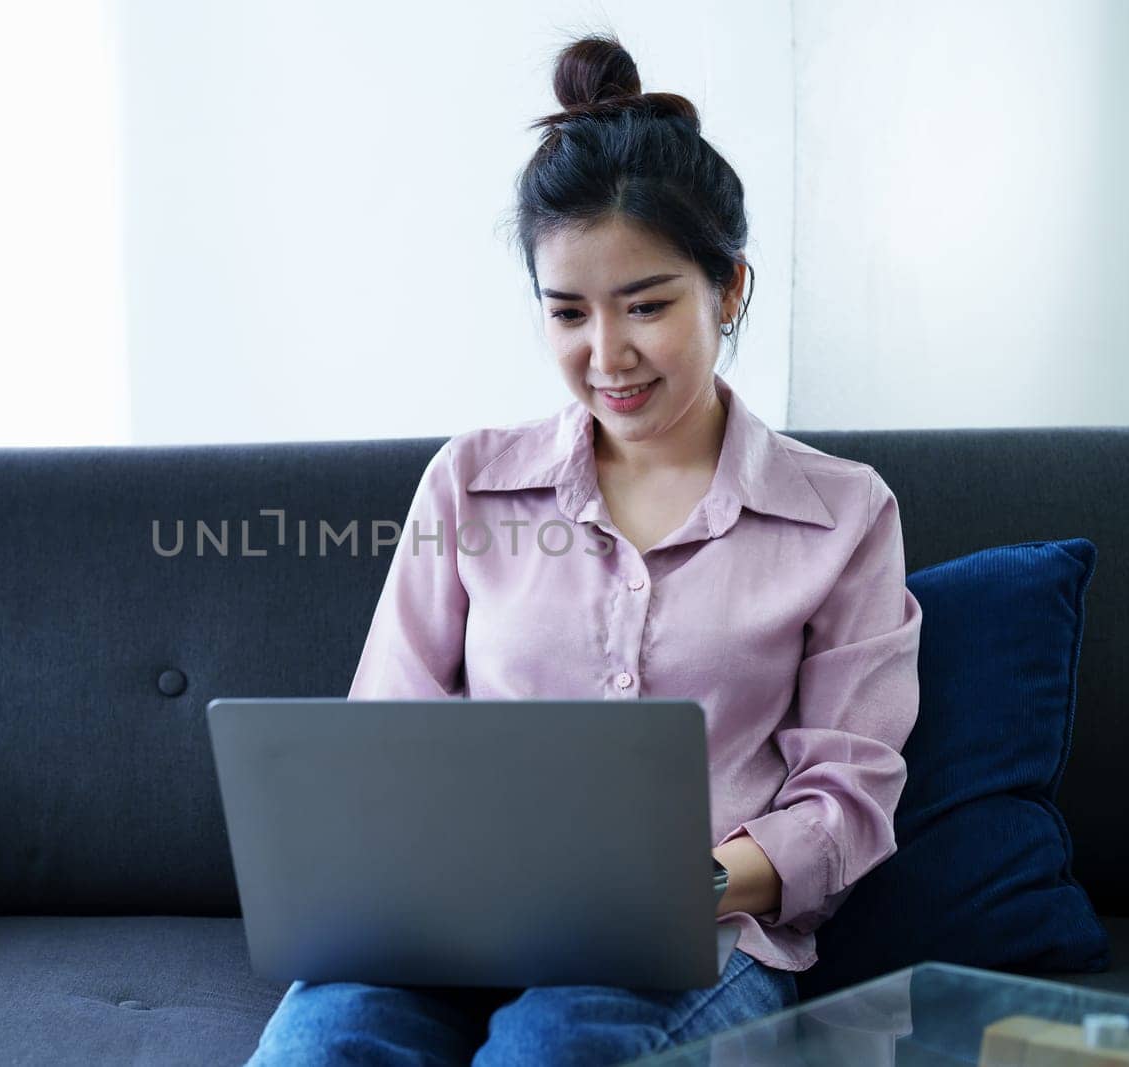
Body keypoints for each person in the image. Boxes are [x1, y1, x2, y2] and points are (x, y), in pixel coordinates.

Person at [244, 30, 922, 1067]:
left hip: (693, 937)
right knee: (323, 1048)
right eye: (568, 313)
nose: (606, 356)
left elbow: (846, 797)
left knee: (555, 1047)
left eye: (646, 305)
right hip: (438, 928)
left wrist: (679, 881)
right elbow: (384, 742)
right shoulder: (469, 482)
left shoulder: (842, 514)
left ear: (728, 289)